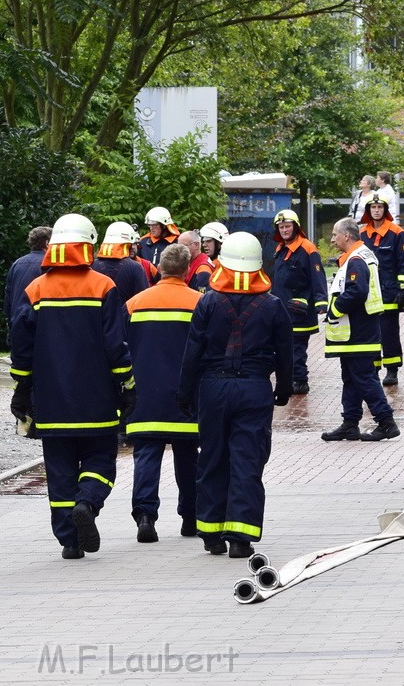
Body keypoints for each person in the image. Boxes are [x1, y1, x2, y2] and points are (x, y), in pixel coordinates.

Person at [9, 213, 137, 560]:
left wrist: (22, 389)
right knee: (101, 460)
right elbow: (116, 345)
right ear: (88, 247)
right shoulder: (103, 286)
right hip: (97, 398)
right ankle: (88, 503)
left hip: (50, 401)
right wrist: (127, 385)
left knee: (60, 470)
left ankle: (69, 540)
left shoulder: (35, 289)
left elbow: (20, 344)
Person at [177, 232, 293, 559]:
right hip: (254, 389)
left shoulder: (207, 302)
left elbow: (192, 353)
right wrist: (283, 390)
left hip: (213, 389)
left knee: (212, 457)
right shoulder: (272, 306)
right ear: (259, 265)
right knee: (247, 460)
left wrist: (185, 395)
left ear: (223, 262)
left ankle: (211, 533)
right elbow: (286, 355)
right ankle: (241, 537)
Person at [125, 244, 202, 543]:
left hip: (145, 396)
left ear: (159, 269)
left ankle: (145, 516)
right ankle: (191, 518)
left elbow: (121, 348)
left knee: (146, 456)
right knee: (189, 458)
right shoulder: (199, 303)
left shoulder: (134, 304)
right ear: (186, 270)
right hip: (186, 397)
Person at [320, 218, 400, 442]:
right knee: (352, 378)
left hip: (358, 331)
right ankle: (350, 423)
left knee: (364, 378)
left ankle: (386, 423)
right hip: (358, 330)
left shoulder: (356, 259)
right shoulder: (360, 255)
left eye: (335, 234)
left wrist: (334, 310)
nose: (332, 239)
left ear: (347, 236)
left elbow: (357, 292)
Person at [271, 209, 328, 394]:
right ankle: (291, 380)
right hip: (282, 310)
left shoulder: (307, 248)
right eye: (281, 227)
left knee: (296, 350)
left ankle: (300, 381)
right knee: (284, 348)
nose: (284, 230)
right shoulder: (280, 248)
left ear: (296, 227)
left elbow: (317, 275)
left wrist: (321, 302)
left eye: (287, 226)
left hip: (299, 310)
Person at [360, 198, 404, 386]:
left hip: (389, 294)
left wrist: (403, 288)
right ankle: (373, 368)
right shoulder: (361, 234)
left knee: (389, 334)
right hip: (367, 294)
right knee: (369, 333)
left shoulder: (397, 233)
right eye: (373, 207)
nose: (376, 210)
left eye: (380, 207)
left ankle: (392, 370)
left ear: (385, 210)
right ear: (368, 210)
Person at [3, 226, 51, 338]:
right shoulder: (48, 265)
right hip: (38, 324)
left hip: (17, 322)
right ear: (48, 243)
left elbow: (8, 297)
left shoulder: (17, 264)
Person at [92, 222, 150, 302]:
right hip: (127, 314)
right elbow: (144, 300)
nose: (133, 247)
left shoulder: (93, 266)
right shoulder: (135, 268)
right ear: (128, 244)